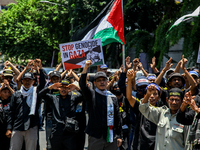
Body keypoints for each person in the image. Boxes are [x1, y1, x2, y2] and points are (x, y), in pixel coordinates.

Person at [79, 60, 122, 150]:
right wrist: (85, 68)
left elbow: (117, 118)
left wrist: (119, 136)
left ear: (107, 81)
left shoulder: (112, 97)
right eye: (99, 81)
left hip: (111, 137)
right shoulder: (91, 95)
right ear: (95, 83)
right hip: (96, 137)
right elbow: (82, 85)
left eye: (103, 80)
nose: (102, 82)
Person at [6, 61, 45, 150]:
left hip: (31, 126)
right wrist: (9, 128)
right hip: (17, 126)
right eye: (25, 80)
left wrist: (40, 68)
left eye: (29, 80)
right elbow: (11, 112)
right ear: (22, 81)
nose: (27, 82)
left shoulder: (36, 92)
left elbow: (42, 84)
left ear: (33, 81)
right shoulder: (16, 94)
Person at [38, 79, 83, 150]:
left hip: (70, 133)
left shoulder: (73, 98)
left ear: (69, 89)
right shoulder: (54, 98)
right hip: (57, 133)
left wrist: (76, 88)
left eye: (66, 87)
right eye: (62, 87)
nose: (63, 89)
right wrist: (51, 87)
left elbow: (86, 96)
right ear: (59, 88)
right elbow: (40, 94)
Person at [126, 69, 160, 150]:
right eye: (149, 94)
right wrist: (130, 80)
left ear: (159, 97)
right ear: (145, 95)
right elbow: (129, 97)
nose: (152, 96)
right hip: (140, 144)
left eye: (155, 94)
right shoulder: (141, 108)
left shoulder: (162, 110)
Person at [0, 80, 14, 150]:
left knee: (7, 146)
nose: (7, 94)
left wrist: (8, 86)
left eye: (8, 92)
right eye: (4, 92)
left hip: (7, 128)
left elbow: (15, 95)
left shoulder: (10, 101)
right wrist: (2, 86)